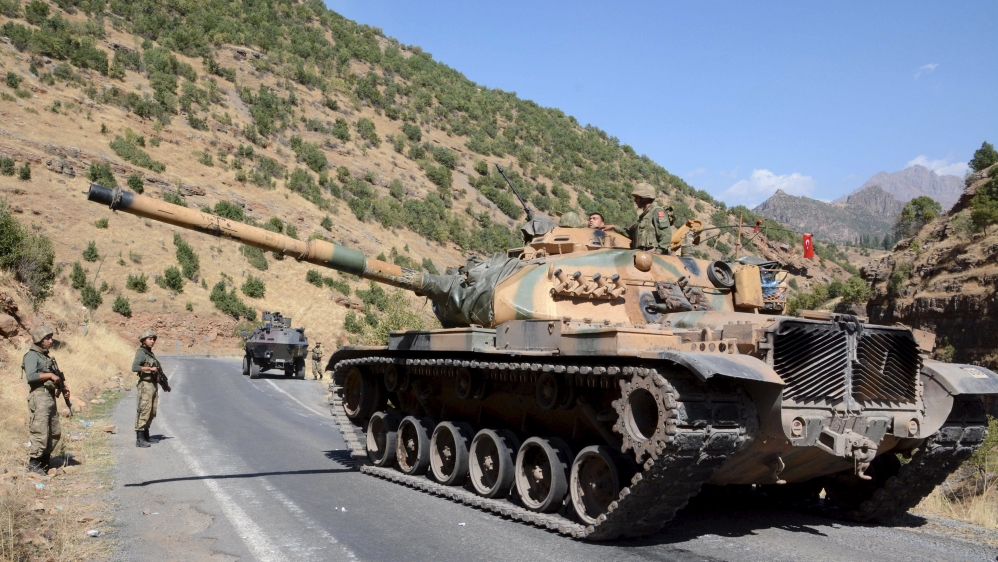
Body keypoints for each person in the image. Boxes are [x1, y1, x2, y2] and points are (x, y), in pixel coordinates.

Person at [22, 326, 67, 474]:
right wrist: (49, 376)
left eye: (50, 337)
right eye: (47, 338)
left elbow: (56, 377)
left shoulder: (46, 357)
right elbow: (31, 376)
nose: (50, 341)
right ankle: (34, 464)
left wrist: (62, 387)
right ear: (39, 340)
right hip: (39, 397)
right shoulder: (31, 356)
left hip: (49, 397)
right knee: (40, 431)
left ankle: (45, 461)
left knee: (54, 432)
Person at [602, 183, 672, 253]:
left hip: (652, 257)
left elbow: (666, 234)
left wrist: (659, 251)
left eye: (637, 197)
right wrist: (614, 227)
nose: (635, 200)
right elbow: (631, 234)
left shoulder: (657, 211)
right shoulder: (644, 216)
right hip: (641, 255)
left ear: (645, 198)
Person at [132, 330, 170, 448]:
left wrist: (163, 383)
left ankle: (146, 435)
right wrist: (149, 369)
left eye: (153, 339)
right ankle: (140, 438)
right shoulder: (141, 353)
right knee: (144, 409)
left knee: (151, 410)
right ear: (144, 340)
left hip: (153, 384)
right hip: (145, 384)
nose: (152, 341)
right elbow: (134, 367)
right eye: (150, 339)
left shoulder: (149, 353)